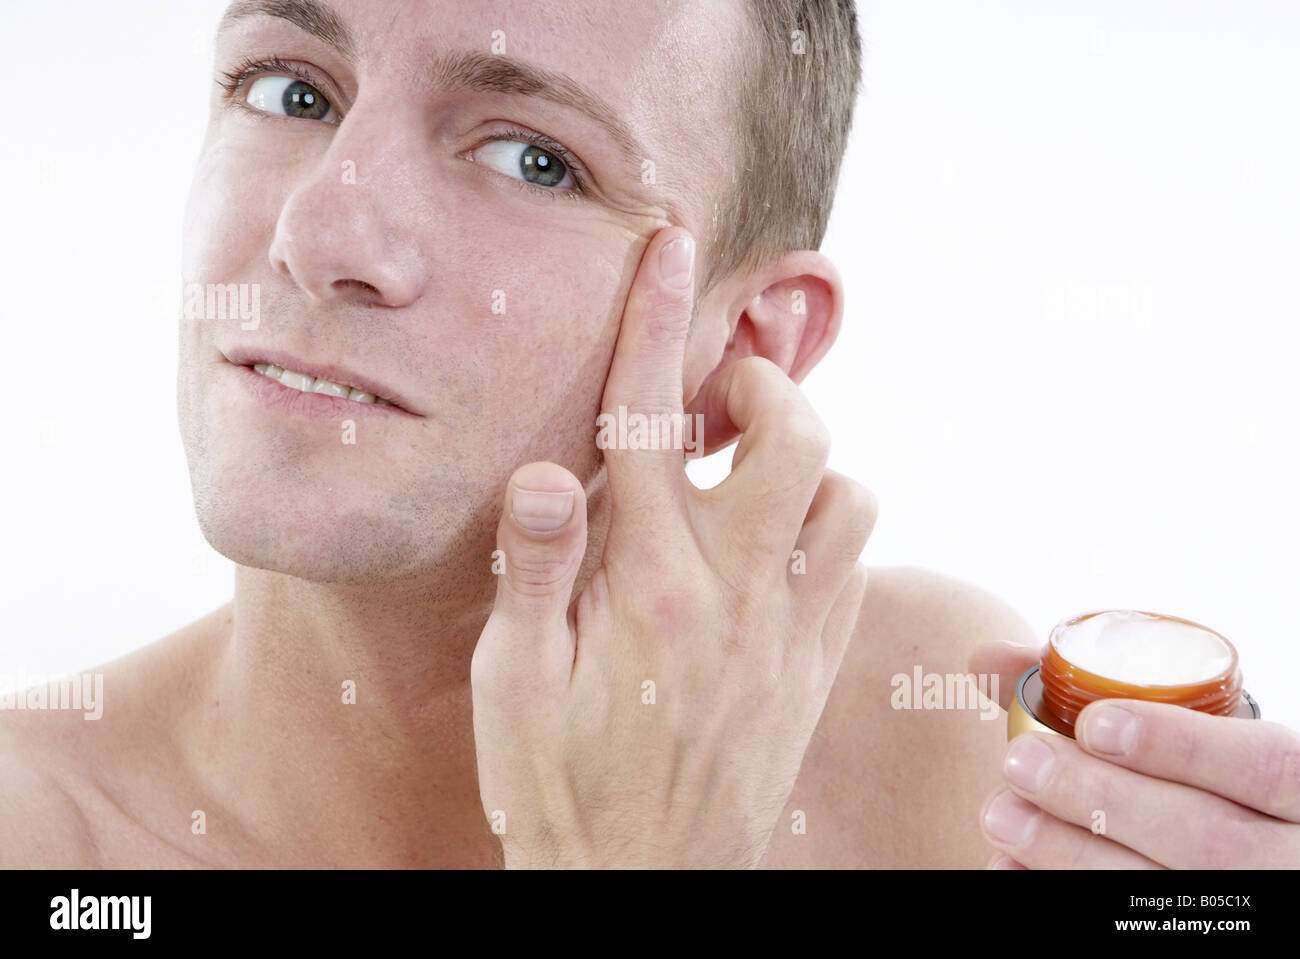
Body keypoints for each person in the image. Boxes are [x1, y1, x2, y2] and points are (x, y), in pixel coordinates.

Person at [3, 0, 1295, 869]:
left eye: (531, 159)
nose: (320, 237)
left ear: (747, 348)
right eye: (291, 87)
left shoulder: (940, 741)